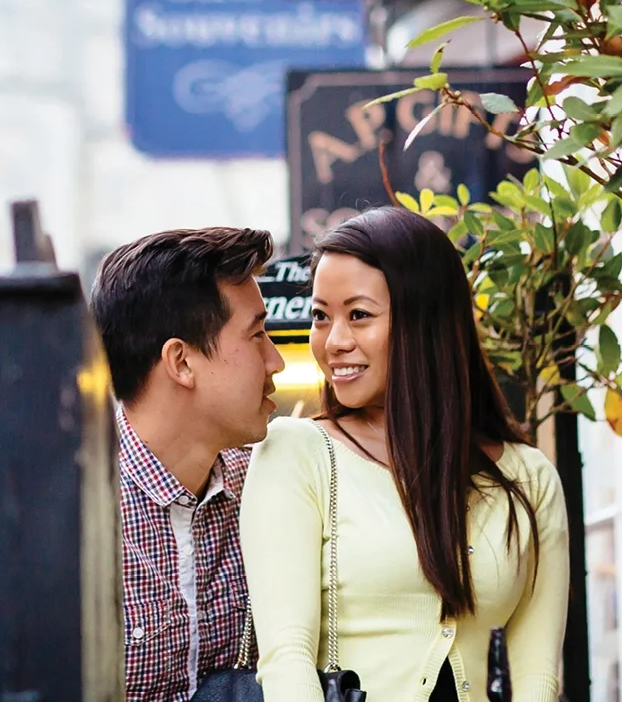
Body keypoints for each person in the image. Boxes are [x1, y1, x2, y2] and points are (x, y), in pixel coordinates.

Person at [0, 226, 286, 702]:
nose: (276, 361)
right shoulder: (55, 523)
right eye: (257, 335)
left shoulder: (268, 488)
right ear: (181, 362)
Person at [241, 206, 570, 702]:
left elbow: (537, 676)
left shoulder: (529, 478)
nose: (334, 342)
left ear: (426, 320)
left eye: (358, 315)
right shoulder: (298, 453)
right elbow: (287, 660)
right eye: (321, 316)